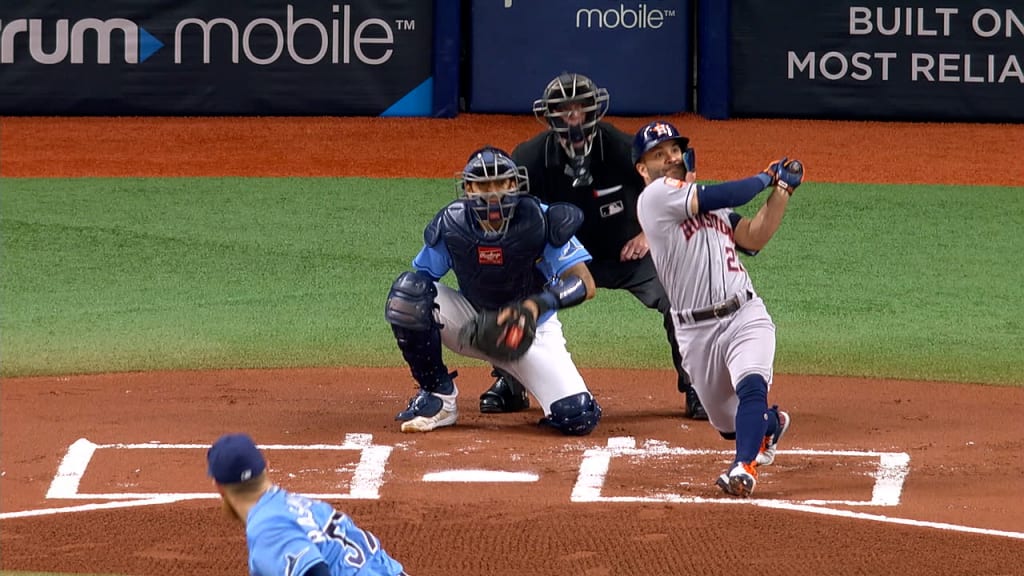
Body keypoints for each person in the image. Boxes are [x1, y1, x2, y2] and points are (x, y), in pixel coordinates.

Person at [476, 71, 707, 421]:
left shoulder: (619, 147)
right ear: (549, 114)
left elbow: (676, 176)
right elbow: (511, 212)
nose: (573, 116)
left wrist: (647, 234)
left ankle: (696, 386)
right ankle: (511, 383)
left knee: (679, 295)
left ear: (594, 109)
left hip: (625, 253)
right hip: (563, 260)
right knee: (513, 291)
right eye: (564, 109)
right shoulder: (531, 156)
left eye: (580, 107)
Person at [631, 120, 801, 497]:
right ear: (643, 169)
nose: (671, 157)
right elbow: (724, 194)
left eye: (674, 150)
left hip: (744, 313)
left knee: (751, 385)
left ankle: (744, 467)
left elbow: (754, 237)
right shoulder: (655, 198)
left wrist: (783, 191)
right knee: (728, 425)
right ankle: (770, 425)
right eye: (658, 154)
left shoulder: (711, 207)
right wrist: (766, 176)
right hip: (695, 332)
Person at [384, 146, 603, 435]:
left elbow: (585, 284)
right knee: (408, 295)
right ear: (468, 188)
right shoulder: (452, 225)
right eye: (483, 185)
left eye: (501, 183)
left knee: (576, 417)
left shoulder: (543, 220)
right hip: (472, 322)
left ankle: (517, 379)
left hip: (529, 328)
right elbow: (421, 283)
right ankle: (438, 397)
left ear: (515, 184)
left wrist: (535, 306)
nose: (493, 192)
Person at [206, 433, 408, 576]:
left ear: (219, 486)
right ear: (267, 467)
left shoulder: (267, 527)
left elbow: (315, 571)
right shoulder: (306, 506)